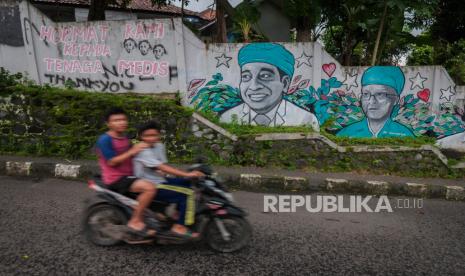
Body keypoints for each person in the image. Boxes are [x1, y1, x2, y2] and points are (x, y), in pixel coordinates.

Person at [220, 43, 319, 130]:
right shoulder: (226, 118)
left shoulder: (305, 120)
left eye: (265, 76)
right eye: (246, 76)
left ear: (285, 83)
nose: (254, 86)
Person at [133, 121, 204, 238]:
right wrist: (187, 173)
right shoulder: (143, 151)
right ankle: (179, 227)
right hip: (150, 185)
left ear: (159, 135)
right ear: (141, 136)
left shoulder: (160, 146)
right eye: (147, 136)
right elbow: (161, 167)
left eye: (154, 135)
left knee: (188, 183)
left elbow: (163, 166)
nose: (151, 138)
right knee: (189, 193)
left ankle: (178, 214)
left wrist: (184, 175)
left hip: (160, 180)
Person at [95, 107, 156, 238]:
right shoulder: (104, 140)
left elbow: (132, 157)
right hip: (116, 179)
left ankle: (151, 217)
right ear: (108, 124)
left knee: (157, 183)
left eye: (123, 119)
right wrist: (133, 150)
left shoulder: (124, 138)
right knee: (150, 188)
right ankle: (135, 221)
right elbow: (112, 162)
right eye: (116, 120)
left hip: (129, 175)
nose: (121, 122)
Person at [337, 66, 414, 138]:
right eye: (366, 94)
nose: (371, 101)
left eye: (380, 94)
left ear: (396, 100)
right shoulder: (346, 133)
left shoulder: (405, 134)